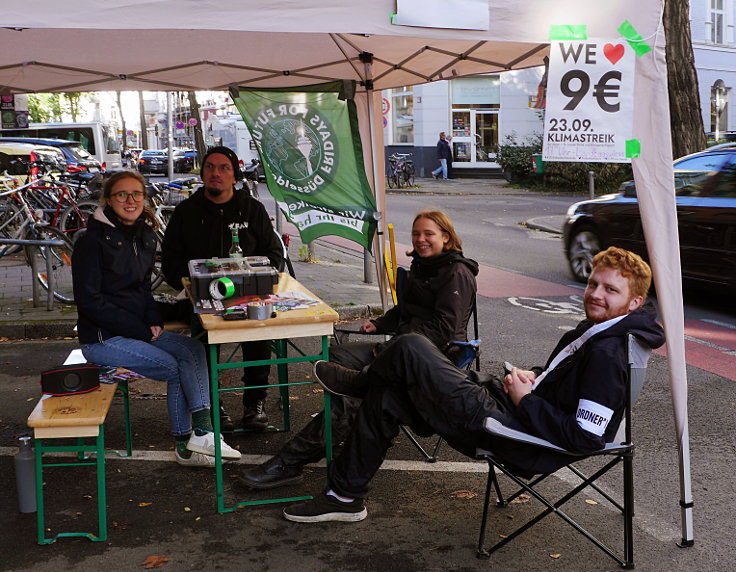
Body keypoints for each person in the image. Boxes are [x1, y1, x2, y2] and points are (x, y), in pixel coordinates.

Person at [281, 247, 666, 522]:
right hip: (508, 406)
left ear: (634, 303)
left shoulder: (609, 353)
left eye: (610, 290)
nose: (596, 294)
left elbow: (585, 437)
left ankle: (359, 385)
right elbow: (568, 383)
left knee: (412, 346)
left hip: (516, 434)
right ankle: (343, 495)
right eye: (594, 284)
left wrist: (528, 400)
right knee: (388, 397)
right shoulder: (599, 331)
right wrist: (535, 375)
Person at [238, 210, 479, 490]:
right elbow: (406, 311)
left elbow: (442, 329)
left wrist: (390, 348)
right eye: (416, 234)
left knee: (359, 394)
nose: (421, 240)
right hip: (402, 350)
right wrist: (379, 324)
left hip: (434, 360)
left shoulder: (456, 272)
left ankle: (291, 460)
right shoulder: (423, 265)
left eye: (429, 234)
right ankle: (347, 432)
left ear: (446, 237)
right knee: (334, 357)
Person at [71, 170, 241, 467]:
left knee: (194, 349)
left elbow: (142, 289)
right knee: (174, 367)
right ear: (108, 200)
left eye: (136, 194)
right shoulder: (90, 242)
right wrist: (140, 328)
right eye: (121, 194)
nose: (130, 200)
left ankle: (201, 433)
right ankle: (187, 444)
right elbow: (89, 302)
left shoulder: (144, 237)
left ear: (144, 198)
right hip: (101, 339)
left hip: (133, 330)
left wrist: (153, 318)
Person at [161, 146, 284, 432]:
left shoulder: (252, 208)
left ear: (234, 175)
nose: (216, 173)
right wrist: (192, 282)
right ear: (202, 173)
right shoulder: (186, 212)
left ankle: (255, 404)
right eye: (210, 167)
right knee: (202, 342)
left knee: (259, 332)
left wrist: (257, 277)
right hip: (202, 298)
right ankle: (212, 403)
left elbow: (274, 254)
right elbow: (169, 261)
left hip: (249, 295)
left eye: (223, 168)